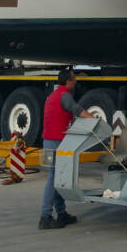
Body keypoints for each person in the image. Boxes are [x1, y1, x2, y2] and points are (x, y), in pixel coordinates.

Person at [39, 68, 94, 230]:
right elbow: (76, 109)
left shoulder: (53, 95)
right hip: (57, 142)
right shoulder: (65, 96)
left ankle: (61, 213)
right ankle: (45, 216)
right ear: (68, 81)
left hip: (48, 141)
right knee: (54, 178)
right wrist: (94, 119)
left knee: (57, 178)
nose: (76, 81)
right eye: (74, 79)